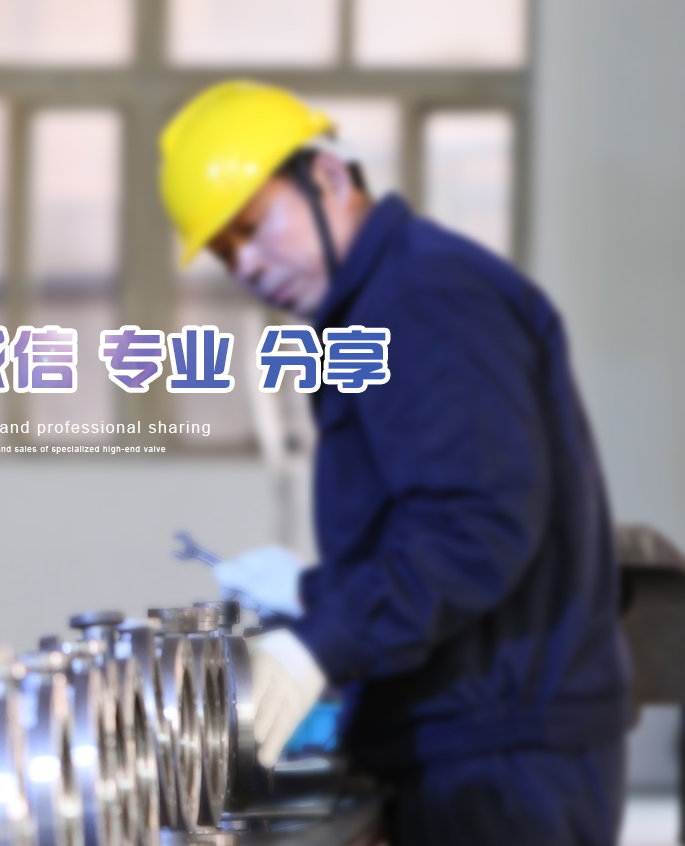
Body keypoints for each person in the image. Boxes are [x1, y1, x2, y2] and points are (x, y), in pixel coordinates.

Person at [162, 80, 629, 845]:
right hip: (473, 737)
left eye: (252, 225)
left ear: (328, 177)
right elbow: (429, 519)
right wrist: (314, 592)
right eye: (224, 250)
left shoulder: (422, 295)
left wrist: (318, 644)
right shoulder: (377, 309)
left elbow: (475, 525)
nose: (245, 263)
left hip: (502, 759)